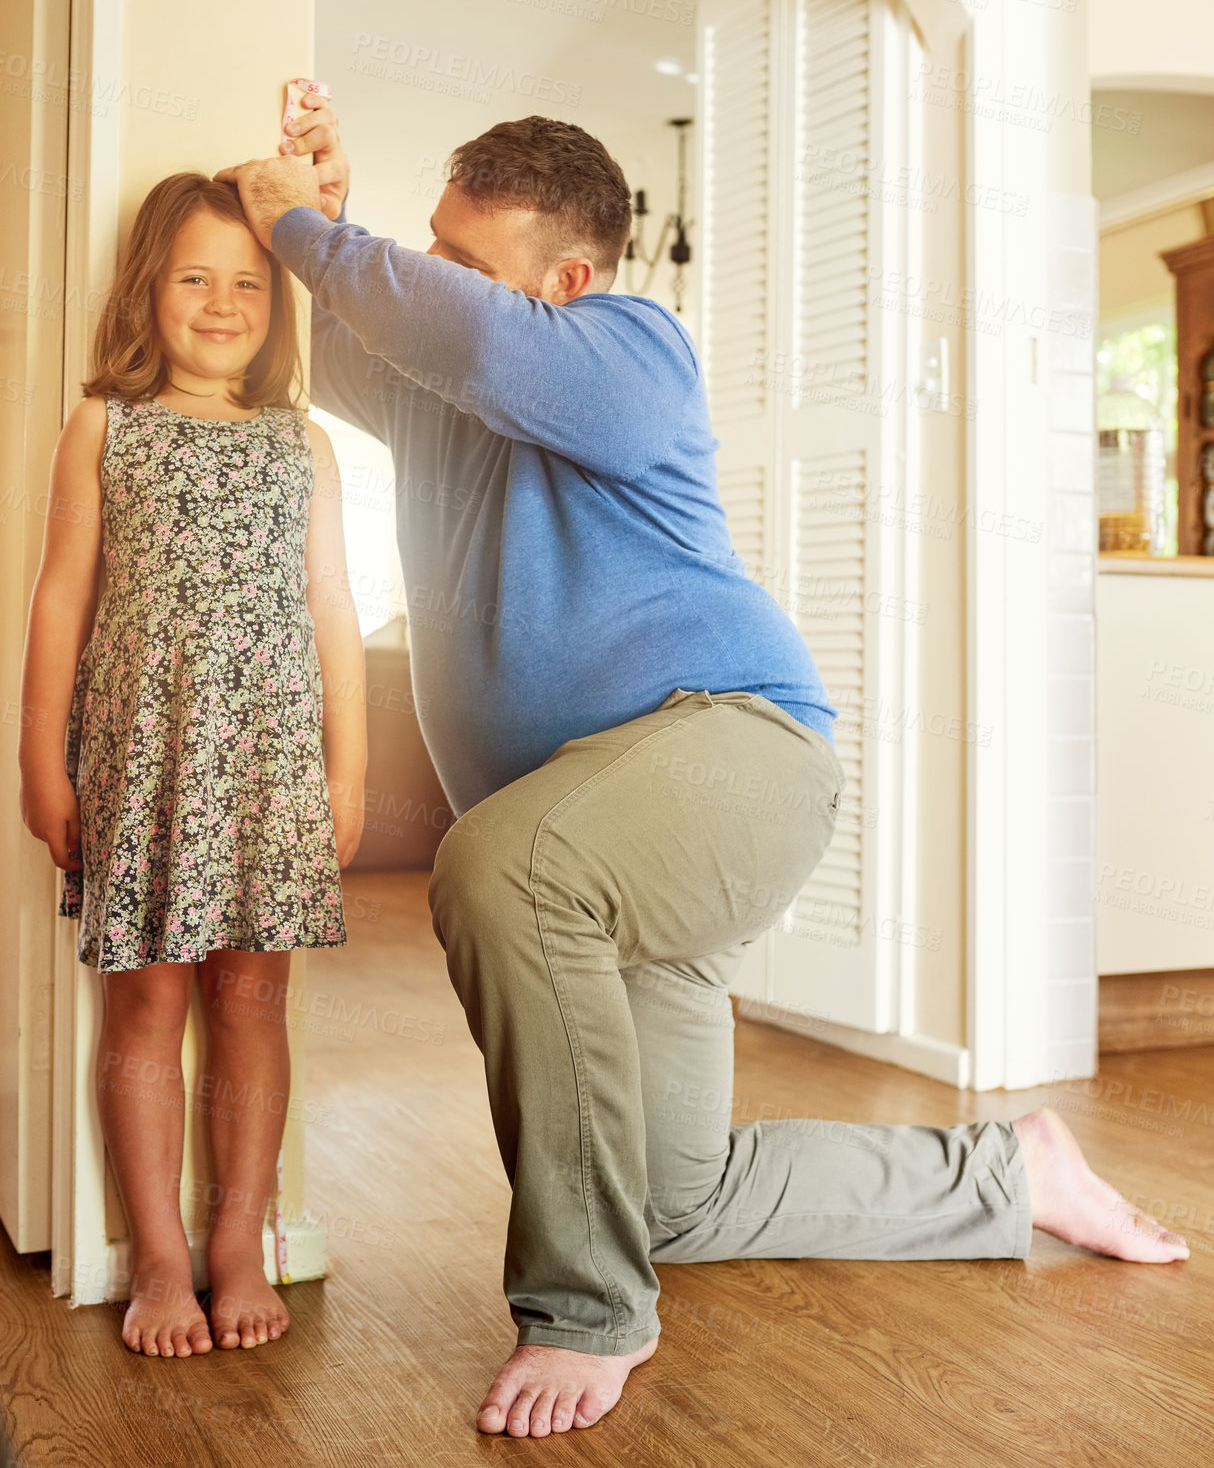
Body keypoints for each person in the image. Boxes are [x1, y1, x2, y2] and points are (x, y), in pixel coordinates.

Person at [217, 101, 1189, 1438]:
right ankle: (1004, 1175)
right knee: (671, 1196)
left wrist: (306, 220)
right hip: (609, 842)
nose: (434, 276)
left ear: (567, 280)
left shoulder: (630, 347)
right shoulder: (448, 383)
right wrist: (314, 214)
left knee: (498, 866)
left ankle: (586, 1311)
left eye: (465, 257)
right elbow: (339, 332)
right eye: (426, 250)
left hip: (733, 753)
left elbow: (433, 316)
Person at [18, 173, 367, 1357]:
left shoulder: (302, 442)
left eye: (248, 283)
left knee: (251, 1000)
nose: (222, 303)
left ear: (277, 302)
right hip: (144, 760)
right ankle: (159, 1254)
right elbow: (61, 598)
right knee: (149, 1000)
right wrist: (39, 762)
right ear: (147, 292)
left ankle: (238, 1237)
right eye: (193, 279)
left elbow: (333, 609)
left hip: (270, 766)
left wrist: (350, 776)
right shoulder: (104, 424)